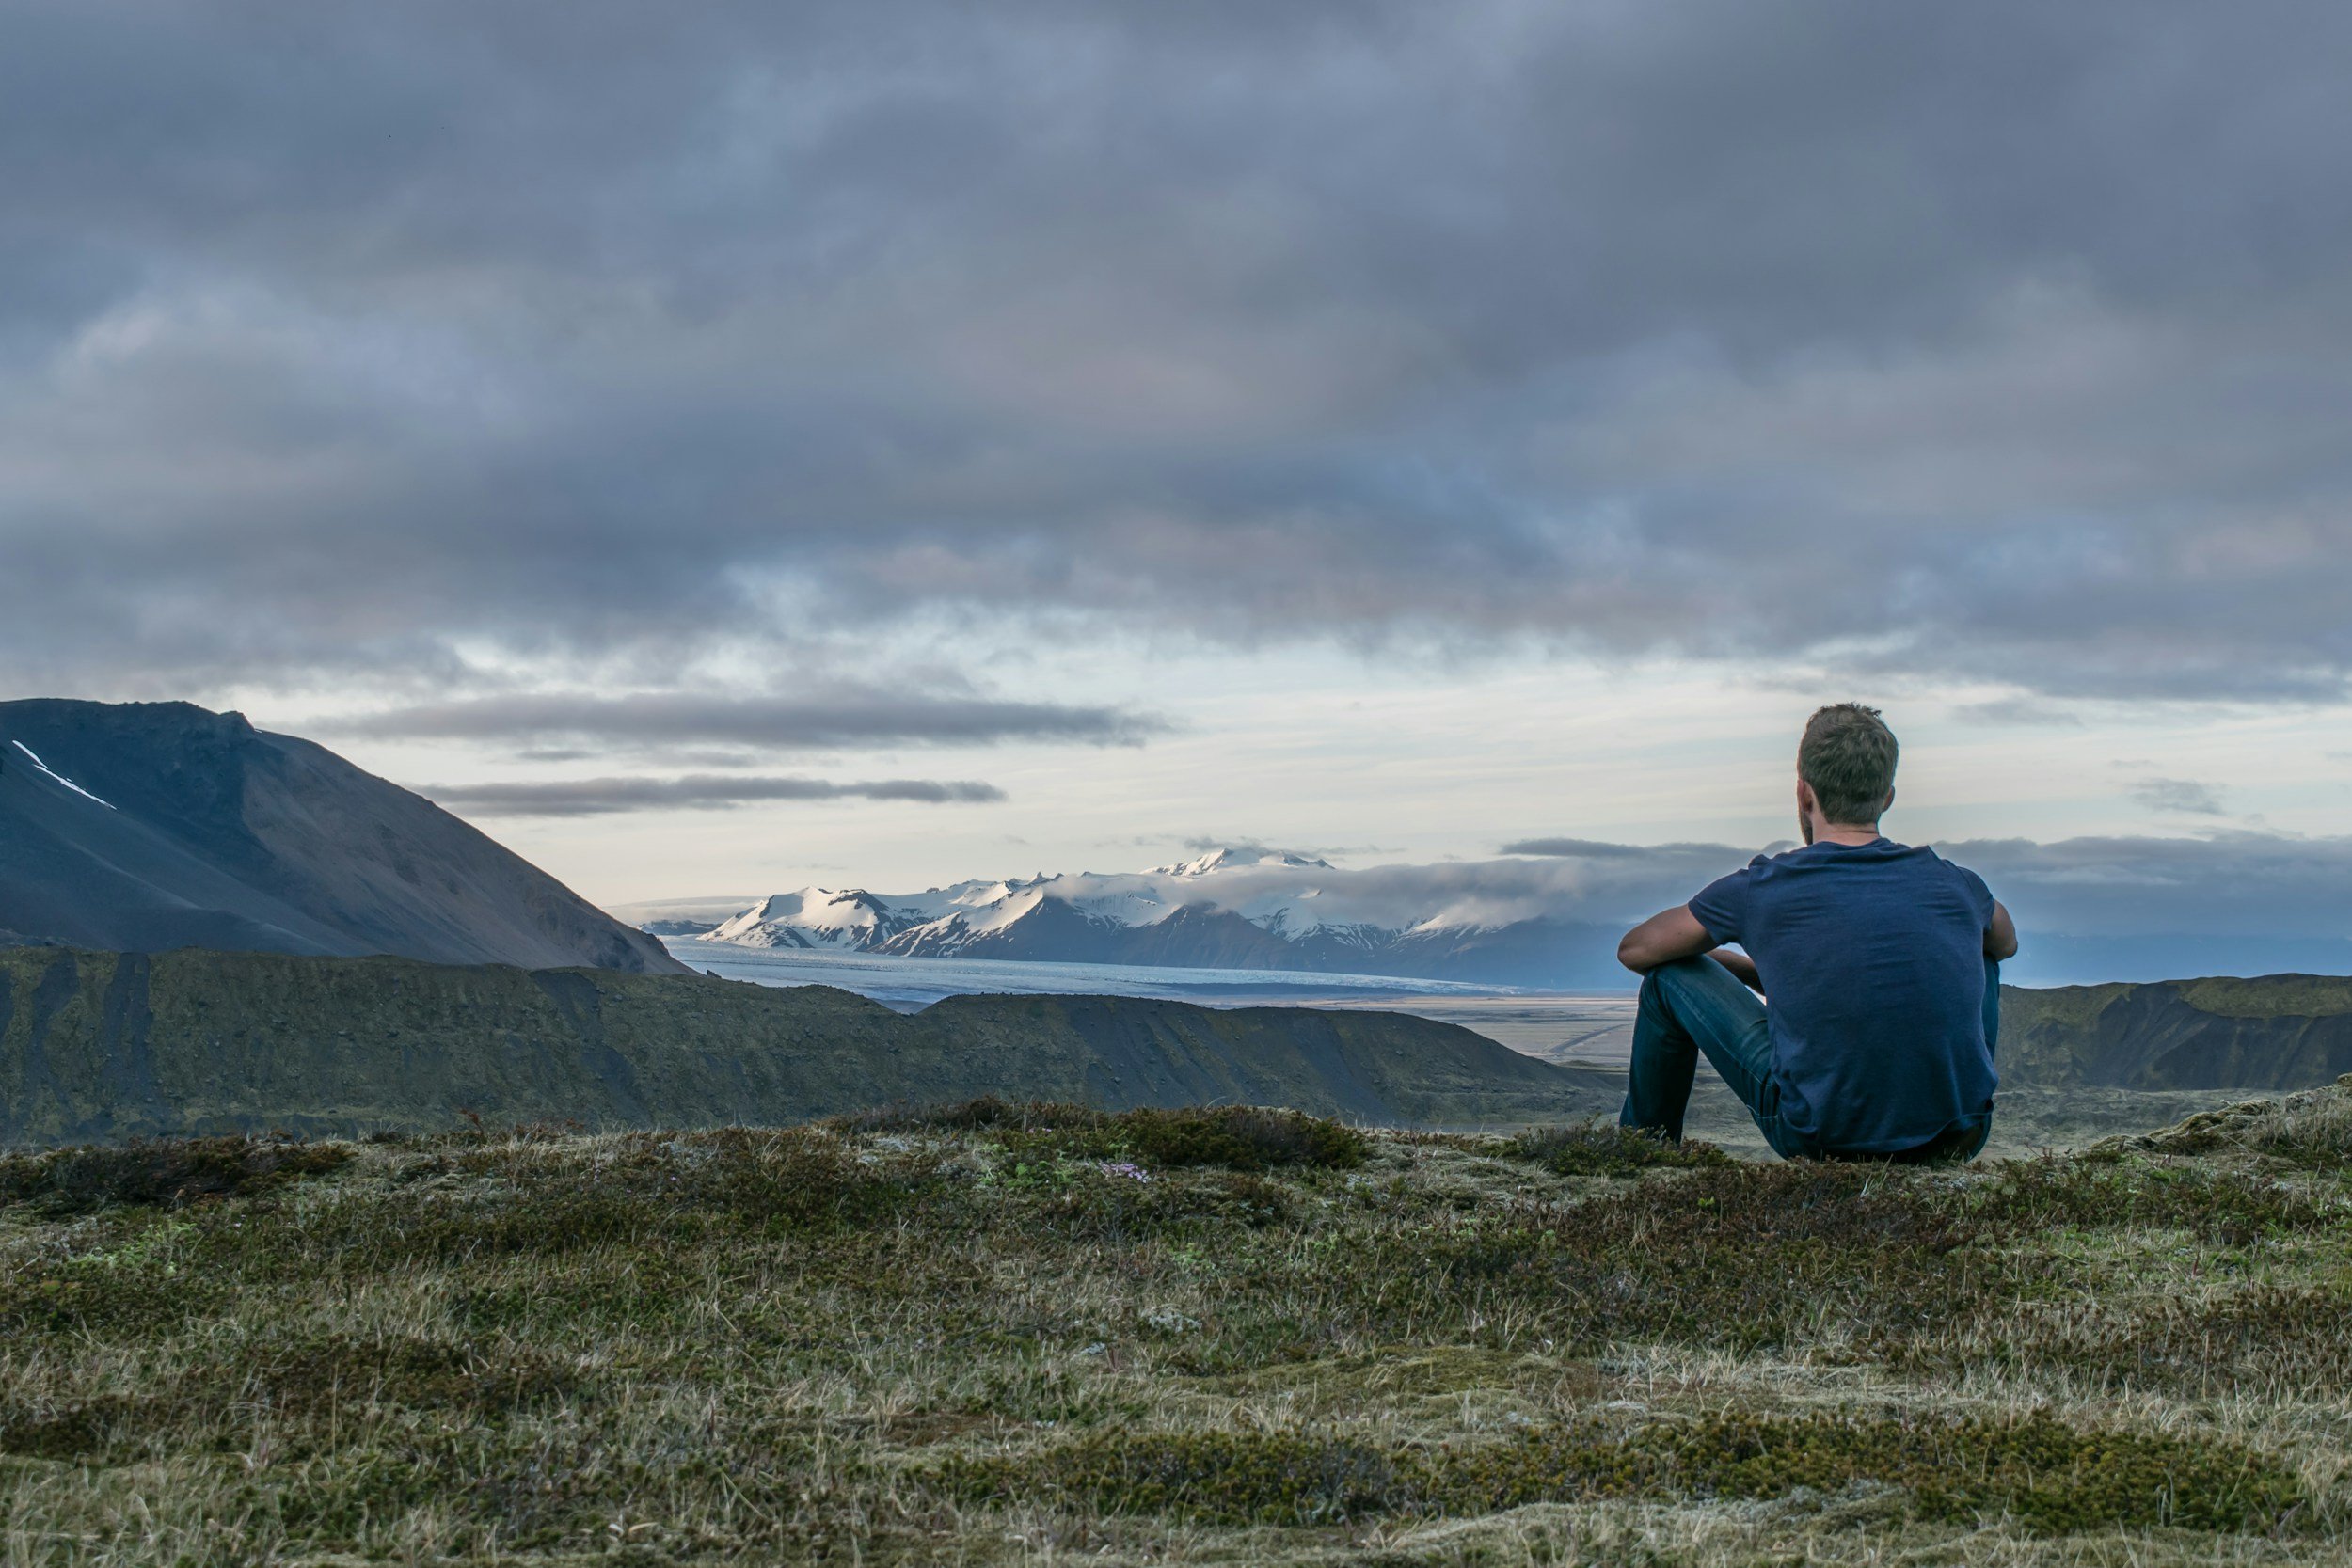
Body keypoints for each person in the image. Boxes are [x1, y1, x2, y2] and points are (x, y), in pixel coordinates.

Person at [1614, 704, 2017, 1162]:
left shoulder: (1762, 888)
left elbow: (1636, 950)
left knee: (1666, 979)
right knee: (1983, 951)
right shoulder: (1958, 884)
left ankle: (1642, 1154)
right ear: (1887, 796)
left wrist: (1712, 960)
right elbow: (2005, 943)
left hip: (1819, 1137)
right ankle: (1948, 1106)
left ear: (1804, 794)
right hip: (1959, 1135)